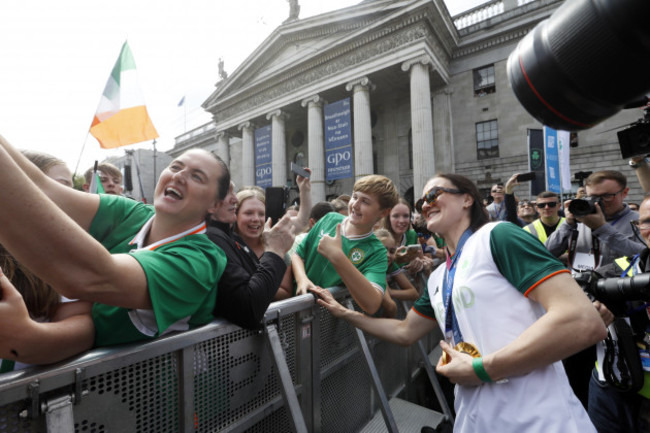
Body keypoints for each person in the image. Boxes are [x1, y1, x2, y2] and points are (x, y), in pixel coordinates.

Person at [311, 173, 607, 433]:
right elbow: (405, 332)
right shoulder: (440, 276)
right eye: (419, 203)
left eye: (433, 194)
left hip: (537, 418)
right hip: (473, 417)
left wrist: (483, 369)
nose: (424, 204)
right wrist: (346, 314)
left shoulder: (498, 236)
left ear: (467, 199)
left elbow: (581, 320)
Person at [0, 135, 230, 364]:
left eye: (197, 177)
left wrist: (28, 337)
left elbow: (86, 276)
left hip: (155, 395)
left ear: (215, 205)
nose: (179, 176)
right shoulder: (135, 214)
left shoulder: (201, 260)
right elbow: (45, 190)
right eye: (175, 166)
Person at [207, 172, 311, 329]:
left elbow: (285, 292)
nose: (256, 219)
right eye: (248, 213)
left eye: (261, 214)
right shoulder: (222, 242)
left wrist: (304, 190)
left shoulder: (276, 241)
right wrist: (258, 280)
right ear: (235, 214)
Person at [292, 175, 399, 315]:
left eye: (365, 202)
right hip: (295, 308)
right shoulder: (329, 219)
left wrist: (337, 256)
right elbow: (298, 254)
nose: (355, 205)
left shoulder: (377, 252)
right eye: (355, 197)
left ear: (384, 212)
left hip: (327, 320)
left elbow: (372, 304)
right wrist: (302, 279)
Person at [546, 170, 645, 273]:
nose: (598, 202)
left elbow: (645, 256)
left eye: (607, 196)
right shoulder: (580, 219)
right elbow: (545, 253)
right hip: (579, 285)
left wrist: (602, 229)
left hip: (618, 286)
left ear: (624, 193)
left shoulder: (641, 221)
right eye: (593, 197)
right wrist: (567, 224)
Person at [382, 198, 433, 276]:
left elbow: (422, 262)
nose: (402, 220)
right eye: (396, 216)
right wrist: (394, 259)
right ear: (388, 218)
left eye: (406, 216)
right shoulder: (380, 239)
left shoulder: (412, 235)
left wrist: (420, 263)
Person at [374, 229, 419, 302]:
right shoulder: (369, 265)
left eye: (392, 251)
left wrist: (391, 292)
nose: (388, 255)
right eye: (382, 250)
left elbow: (414, 293)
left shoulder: (391, 264)